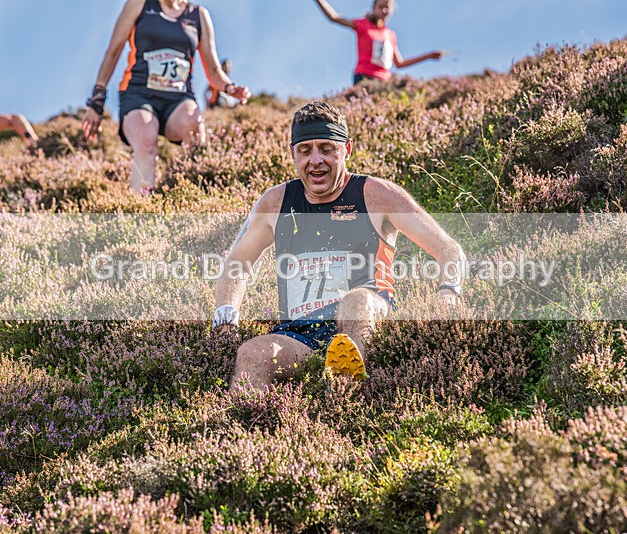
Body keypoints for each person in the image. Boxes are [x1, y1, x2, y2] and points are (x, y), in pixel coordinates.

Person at [213, 101, 465, 389]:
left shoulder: (375, 194)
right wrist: (225, 319)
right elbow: (237, 263)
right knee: (253, 353)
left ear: (346, 149)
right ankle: (241, 429)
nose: (316, 160)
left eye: (327, 149)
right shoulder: (276, 202)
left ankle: (350, 398)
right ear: (292, 154)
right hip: (300, 335)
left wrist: (449, 292)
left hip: (369, 317)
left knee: (355, 301)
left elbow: (449, 249)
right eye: (305, 151)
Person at [82, 0, 251, 195]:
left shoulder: (198, 15)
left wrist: (229, 88)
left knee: (195, 126)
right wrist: (97, 100)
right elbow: (113, 52)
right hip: (139, 94)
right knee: (146, 140)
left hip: (178, 99)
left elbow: (213, 70)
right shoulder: (139, 4)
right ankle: (142, 210)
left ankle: (193, 200)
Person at [312, 0, 444, 85]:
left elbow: (399, 63)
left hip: (384, 80)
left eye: (387, 7)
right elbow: (334, 17)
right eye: (381, 7)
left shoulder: (390, 35)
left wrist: (429, 56)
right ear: (374, 8)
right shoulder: (363, 25)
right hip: (364, 77)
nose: (384, 10)